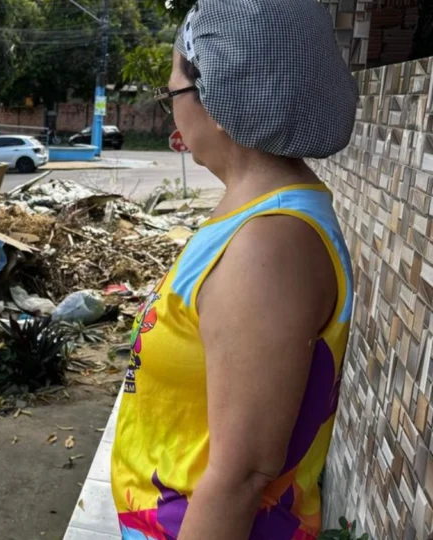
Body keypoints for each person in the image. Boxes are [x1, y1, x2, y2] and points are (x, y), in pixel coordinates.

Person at [111, 1, 358, 539]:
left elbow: (241, 476)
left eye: (173, 93)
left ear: (220, 98)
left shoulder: (269, 245)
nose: (171, 111)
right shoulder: (248, 212)